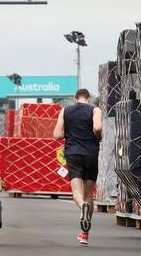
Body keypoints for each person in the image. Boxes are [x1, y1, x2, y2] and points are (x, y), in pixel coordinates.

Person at [53, 88, 102, 246]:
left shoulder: (65, 111)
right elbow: (98, 128)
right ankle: (84, 234)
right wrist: (98, 136)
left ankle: (82, 207)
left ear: (75, 99)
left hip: (73, 154)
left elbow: (56, 135)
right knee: (89, 193)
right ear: (88, 99)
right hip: (91, 154)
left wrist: (69, 131)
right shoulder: (95, 109)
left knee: (76, 192)